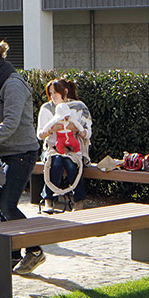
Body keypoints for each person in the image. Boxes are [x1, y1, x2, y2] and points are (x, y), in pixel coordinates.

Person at [0, 38, 44, 274]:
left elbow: (11, 123)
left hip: (21, 153)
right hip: (2, 152)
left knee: (7, 204)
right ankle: (12, 254)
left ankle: (34, 250)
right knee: (1, 205)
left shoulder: (12, 84)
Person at [36, 78, 93, 213]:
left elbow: (88, 132)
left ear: (65, 92)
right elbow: (39, 134)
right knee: (55, 163)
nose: (53, 96)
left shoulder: (79, 107)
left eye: (56, 92)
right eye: (50, 93)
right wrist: (51, 130)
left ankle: (79, 200)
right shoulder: (47, 108)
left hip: (74, 149)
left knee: (71, 165)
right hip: (53, 148)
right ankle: (48, 199)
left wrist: (76, 129)